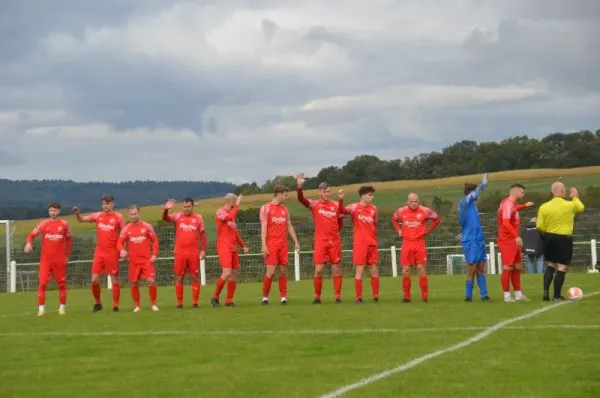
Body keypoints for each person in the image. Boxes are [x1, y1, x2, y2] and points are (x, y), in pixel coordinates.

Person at [296, 172, 344, 304]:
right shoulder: (314, 204)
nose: (327, 194)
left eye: (329, 191)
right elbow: (301, 200)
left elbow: (340, 223)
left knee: (336, 268)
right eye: (325, 191)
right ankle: (317, 297)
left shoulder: (336, 205)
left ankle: (338, 297)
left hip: (334, 241)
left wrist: (334, 233)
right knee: (319, 269)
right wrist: (299, 187)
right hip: (321, 242)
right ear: (319, 193)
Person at [73, 195, 125, 312]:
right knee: (94, 280)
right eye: (103, 204)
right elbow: (82, 219)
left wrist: (122, 249)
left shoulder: (118, 217)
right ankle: (98, 303)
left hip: (112, 252)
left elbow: (124, 234)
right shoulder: (98, 216)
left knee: (114, 279)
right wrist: (77, 214)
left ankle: (116, 305)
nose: (105, 206)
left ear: (112, 204)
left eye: (107, 203)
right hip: (99, 253)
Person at [537, 182, 585, 301]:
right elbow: (581, 208)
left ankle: (545, 292)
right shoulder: (569, 205)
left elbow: (539, 226)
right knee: (562, 267)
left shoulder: (544, 206)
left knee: (550, 264)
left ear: (552, 192)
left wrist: (548, 232)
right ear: (563, 191)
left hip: (549, 237)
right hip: (564, 238)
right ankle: (557, 295)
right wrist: (575, 196)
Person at [24, 202, 72, 316]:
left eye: (55, 211)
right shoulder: (43, 224)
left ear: (59, 211)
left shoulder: (65, 224)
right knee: (42, 284)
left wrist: (67, 255)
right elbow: (31, 235)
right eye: (51, 210)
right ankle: (41, 309)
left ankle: (62, 308)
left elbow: (69, 240)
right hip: (46, 260)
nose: (53, 213)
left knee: (62, 284)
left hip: (59, 260)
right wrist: (28, 243)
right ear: (48, 211)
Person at [391, 193, 440, 303]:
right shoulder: (401, 211)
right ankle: (406, 297)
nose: (413, 204)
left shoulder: (425, 211)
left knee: (421, 269)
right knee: (406, 270)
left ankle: (424, 296)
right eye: (411, 201)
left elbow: (437, 219)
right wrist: (399, 230)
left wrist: (428, 230)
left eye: (416, 201)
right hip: (407, 243)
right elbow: (393, 219)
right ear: (407, 202)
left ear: (418, 201)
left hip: (419, 243)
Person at [162, 197, 206, 308]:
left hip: (193, 253)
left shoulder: (199, 218)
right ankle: (180, 303)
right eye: (184, 207)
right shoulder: (177, 216)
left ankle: (195, 303)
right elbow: (165, 218)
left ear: (192, 206)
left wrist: (204, 249)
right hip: (180, 253)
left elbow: (202, 234)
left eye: (188, 207)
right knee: (179, 277)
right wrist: (166, 209)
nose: (186, 209)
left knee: (195, 277)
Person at [338, 185, 380, 304]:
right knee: (360, 269)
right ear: (362, 196)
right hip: (360, 243)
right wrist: (341, 199)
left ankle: (376, 296)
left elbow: (375, 224)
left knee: (374, 269)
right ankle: (358, 297)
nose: (372, 197)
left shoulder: (374, 209)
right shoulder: (354, 207)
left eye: (372, 195)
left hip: (372, 243)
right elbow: (341, 211)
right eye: (369, 195)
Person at [260, 185, 300, 305]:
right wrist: (263, 244)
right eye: (285, 195)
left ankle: (283, 298)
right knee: (271, 272)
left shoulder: (284, 209)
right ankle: (265, 298)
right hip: (271, 244)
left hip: (283, 244)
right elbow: (264, 228)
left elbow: (289, 226)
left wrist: (296, 241)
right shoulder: (266, 208)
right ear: (278, 194)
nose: (286, 198)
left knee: (283, 271)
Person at [118, 205, 159, 312]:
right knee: (134, 283)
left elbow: (155, 241)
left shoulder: (147, 226)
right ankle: (137, 305)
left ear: (139, 213)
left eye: (135, 214)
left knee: (151, 281)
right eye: (131, 214)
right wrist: (122, 250)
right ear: (129, 215)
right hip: (133, 261)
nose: (133, 216)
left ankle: (153, 304)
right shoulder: (126, 229)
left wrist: (154, 254)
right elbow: (119, 242)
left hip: (146, 260)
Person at [497, 184, 534, 302]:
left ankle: (518, 294)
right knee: (508, 267)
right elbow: (506, 223)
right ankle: (507, 296)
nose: (523, 195)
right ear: (517, 192)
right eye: (522, 193)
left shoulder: (510, 204)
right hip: (507, 240)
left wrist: (524, 206)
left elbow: (514, 210)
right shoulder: (508, 203)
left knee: (517, 267)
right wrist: (516, 236)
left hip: (513, 240)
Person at [211, 193, 249, 307]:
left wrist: (243, 245)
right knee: (226, 272)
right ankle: (215, 297)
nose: (236, 203)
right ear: (230, 201)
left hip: (233, 247)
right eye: (235, 201)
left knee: (233, 274)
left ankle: (229, 300)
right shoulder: (220, 212)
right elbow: (228, 217)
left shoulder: (233, 215)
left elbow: (235, 232)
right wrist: (237, 205)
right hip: (224, 246)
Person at [457, 173, 490, 302]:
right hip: (470, 240)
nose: (477, 196)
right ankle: (468, 295)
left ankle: (484, 295)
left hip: (478, 239)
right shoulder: (463, 203)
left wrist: (463, 232)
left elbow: (468, 222)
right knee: (472, 266)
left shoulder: (474, 207)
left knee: (481, 266)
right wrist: (484, 183)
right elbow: (475, 193)